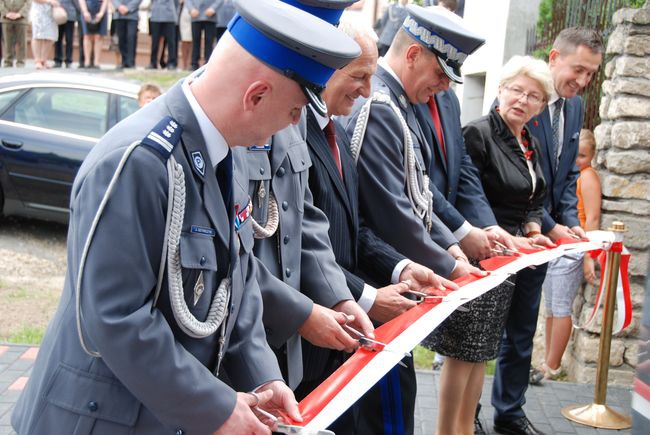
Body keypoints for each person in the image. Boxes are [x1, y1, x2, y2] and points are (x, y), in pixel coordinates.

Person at [10, 0, 361, 433]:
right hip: (102, 419)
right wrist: (214, 407)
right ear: (256, 96)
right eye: (293, 113)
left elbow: (240, 278)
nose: (292, 127)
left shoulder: (221, 151)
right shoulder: (140, 159)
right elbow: (116, 317)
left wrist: (263, 375)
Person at [299, 17, 455, 434]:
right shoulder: (295, 135)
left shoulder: (334, 128)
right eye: (360, 76)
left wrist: (402, 267)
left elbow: (357, 229)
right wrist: (367, 297)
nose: (368, 90)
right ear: (326, 67)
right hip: (308, 337)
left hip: (339, 332)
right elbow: (297, 244)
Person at [340, 5, 484, 434]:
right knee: (388, 414)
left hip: (392, 278)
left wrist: (455, 245)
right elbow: (393, 215)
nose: (442, 87)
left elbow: (420, 193)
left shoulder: (398, 103)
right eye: (441, 74)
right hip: (377, 281)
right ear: (414, 54)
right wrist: (453, 268)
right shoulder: (381, 105)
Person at [232, 0, 375, 393]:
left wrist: (340, 299)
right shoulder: (235, 114)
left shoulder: (291, 111)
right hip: (235, 350)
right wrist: (302, 314)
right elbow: (230, 254)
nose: (299, 118)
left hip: (285, 349)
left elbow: (305, 219)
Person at [427, 55, 555, 435]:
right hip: (480, 254)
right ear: (500, 89)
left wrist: (533, 229)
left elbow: (534, 194)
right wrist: (502, 234)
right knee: (462, 351)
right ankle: (447, 430)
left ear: (542, 106)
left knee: (483, 352)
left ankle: (465, 428)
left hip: (510, 260)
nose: (522, 100)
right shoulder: (479, 133)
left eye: (533, 95)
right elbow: (468, 194)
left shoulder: (528, 139)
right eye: (516, 89)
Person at [492, 27, 603, 435]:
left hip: (544, 240)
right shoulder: (519, 100)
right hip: (507, 235)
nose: (583, 81)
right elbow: (507, 179)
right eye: (579, 70)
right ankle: (465, 414)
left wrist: (570, 223)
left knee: (522, 331)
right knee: (485, 333)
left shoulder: (574, 109)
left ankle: (509, 413)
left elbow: (566, 174)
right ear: (554, 58)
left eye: (591, 74)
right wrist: (553, 227)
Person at [538, 128, 602, 380]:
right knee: (552, 308)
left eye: (583, 156)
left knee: (562, 307)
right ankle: (546, 361)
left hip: (575, 250)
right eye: (574, 156)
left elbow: (593, 217)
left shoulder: (588, 177)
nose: (578, 161)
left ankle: (553, 366)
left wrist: (588, 255)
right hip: (559, 246)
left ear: (592, 157)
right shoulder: (569, 176)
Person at [186, 0, 216, 70]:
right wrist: (191, 9)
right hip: (195, 16)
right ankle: (194, 63)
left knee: (209, 41)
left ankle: (208, 63)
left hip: (210, 17)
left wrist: (213, 8)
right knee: (195, 41)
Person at [147, 0, 178, 69]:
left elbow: (176, 3)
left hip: (170, 16)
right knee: (155, 41)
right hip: (156, 15)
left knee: (171, 42)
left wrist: (176, 16)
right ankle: (153, 62)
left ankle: (171, 63)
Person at [0, 0, 30, 67]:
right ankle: (8, 61)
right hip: (6, 19)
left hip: (22, 19)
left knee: (22, 41)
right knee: (7, 42)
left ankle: (21, 61)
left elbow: (28, 2)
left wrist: (20, 14)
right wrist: (6, 13)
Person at [112, 0, 141, 69]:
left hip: (132, 15)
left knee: (131, 37)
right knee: (121, 38)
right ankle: (124, 61)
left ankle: (130, 62)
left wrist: (128, 8)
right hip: (118, 15)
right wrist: (119, 6)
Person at [30, 0, 59, 69]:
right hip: (39, 11)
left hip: (51, 11)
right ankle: (37, 60)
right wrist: (49, 1)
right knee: (38, 36)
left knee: (50, 36)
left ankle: (44, 60)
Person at [79, 0, 108, 68]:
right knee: (87, 36)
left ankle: (96, 62)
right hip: (87, 9)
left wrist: (101, 13)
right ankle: (87, 61)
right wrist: (85, 11)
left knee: (99, 36)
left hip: (100, 9)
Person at [53, 0, 76, 67]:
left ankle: (68, 60)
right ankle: (58, 59)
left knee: (69, 39)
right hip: (59, 14)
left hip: (70, 15)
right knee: (58, 38)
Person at [178, 0, 191, 69]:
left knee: (194, 40)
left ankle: (191, 64)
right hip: (184, 11)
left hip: (198, 12)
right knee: (184, 39)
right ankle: (185, 64)